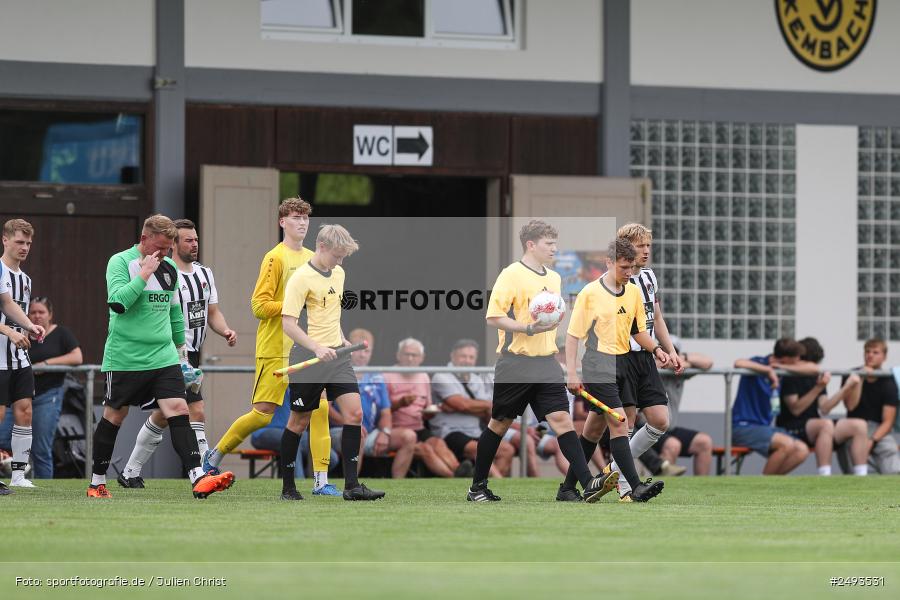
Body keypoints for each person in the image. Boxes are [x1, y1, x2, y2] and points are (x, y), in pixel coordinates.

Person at [466, 219, 614, 502]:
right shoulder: (511, 275)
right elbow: (493, 317)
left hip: (546, 363)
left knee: (562, 421)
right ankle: (477, 488)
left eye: (555, 243)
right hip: (516, 364)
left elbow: (553, 315)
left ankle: (585, 485)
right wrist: (528, 328)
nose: (554, 249)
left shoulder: (555, 278)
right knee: (499, 424)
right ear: (530, 245)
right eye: (549, 244)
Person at [88, 214, 234, 498]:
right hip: (125, 358)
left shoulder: (168, 268)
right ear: (144, 239)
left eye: (169, 248)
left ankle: (198, 476)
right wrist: (143, 274)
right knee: (115, 416)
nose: (165, 254)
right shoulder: (120, 262)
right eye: (161, 247)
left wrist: (181, 354)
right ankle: (97, 482)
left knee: (179, 409)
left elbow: (174, 312)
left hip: (163, 357)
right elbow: (118, 303)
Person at [203, 198, 337, 496]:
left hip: (307, 349)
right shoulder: (274, 258)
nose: (302, 223)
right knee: (263, 413)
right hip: (275, 348)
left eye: (305, 218)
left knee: (321, 409)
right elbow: (259, 306)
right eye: (295, 217)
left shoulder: (315, 258)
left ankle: (321, 480)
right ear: (282, 222)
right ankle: (215, 456)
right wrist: (293, 304)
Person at [558, 238, 669, 502]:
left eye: (632, 267)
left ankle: (566, 489)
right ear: (609, 263)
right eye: (624, 267)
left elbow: (638, 331)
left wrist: (657, 350)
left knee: (593, 431)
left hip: (626, 363)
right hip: (599, 364)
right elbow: (573, 336)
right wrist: (572, 373)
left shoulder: (632, 291)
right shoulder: (590, 293)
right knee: (621, 423)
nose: (629, 273)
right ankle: (634, 486)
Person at [279, 223, 384, 501]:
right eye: (337, 255)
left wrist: (341, 339)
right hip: (308, 357)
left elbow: (330, 314)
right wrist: (316, 347)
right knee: (299, 422)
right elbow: (288, 324)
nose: (340, 261)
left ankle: (352, 486)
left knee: (355, 414)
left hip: (337, 356)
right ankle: (288, 487)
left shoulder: (339, 272)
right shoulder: (301, 278)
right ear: (322, 247)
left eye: (343, 257)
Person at [606, 223, 683, 498]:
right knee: (622, 422)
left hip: (647, 357)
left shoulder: (649, 276)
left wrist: (670, 349)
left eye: (648, 245)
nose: (646, 251)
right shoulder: (616, 281)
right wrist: (656, 349)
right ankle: (625, 486)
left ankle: (612, 469)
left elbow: (656, 317)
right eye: (640, 246)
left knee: (660, 420)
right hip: (622, 355)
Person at [0, 296, 81, 480]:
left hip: (47, 395)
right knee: (4, 438)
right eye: (33, 312)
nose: (37, 316)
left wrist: (47, 363)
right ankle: (14, 473)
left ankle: (44, 484)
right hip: (16, 393)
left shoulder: (61, 333)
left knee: (41, 448)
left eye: (41, 312)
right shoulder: (23, 331)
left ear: (50, 315)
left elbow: (77, 357)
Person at [329, 328, 416, 479]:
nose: (362, 355)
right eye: (358, 350)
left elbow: (385, 412)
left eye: (366, 351)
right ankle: (351, 485)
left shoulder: (376, 376)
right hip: (339, 431)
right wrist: (350, 424)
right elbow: (326, 408)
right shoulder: (337, 373)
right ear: (348, 348)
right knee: (356, 434)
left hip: (369, 432)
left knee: (409, 436)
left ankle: (398, 485)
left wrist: (385, 433)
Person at [0, 219, 47, 493]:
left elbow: (13, 309)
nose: (25, 247)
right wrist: (9, 332)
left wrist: (30, 328)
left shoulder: (25, 280)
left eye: (28, 243)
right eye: (19, 241)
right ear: (5, 240)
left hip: (19, 357)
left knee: (25, 412)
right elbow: (5, 307)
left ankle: (18, 475)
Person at [779, 337, 869, 476]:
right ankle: (824, 477)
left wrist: (846, 388)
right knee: (825, 425)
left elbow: (825, 408)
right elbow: (795, 409)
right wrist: (818, 387)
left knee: (859, 425)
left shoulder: (817, 376)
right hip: (791, 427)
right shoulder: (790, 375)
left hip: (816, 426)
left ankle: (861, 477)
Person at [431, 339, 516, 479]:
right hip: (450, 431)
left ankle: (489, 486)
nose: (467, 360)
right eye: (463, 356)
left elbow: (483, 411)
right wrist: (482, 405)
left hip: (476, 431)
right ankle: (488, 485)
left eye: (471, 357)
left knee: (507, 450)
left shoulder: (476, 379)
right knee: (479, 450)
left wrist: (463, 406)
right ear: (453, 356)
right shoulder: (441, 376)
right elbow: (462, 404)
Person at [732, 338, 818, 475]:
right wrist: (767, 370)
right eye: (797, 359)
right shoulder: (759, 362)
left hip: (765, 428)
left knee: (802, 450)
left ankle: (771, 485)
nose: (799, 362)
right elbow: (738, 363)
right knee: (786, 445)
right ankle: (762, 487)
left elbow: (814, 369)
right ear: (785, 358)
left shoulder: (784, 367)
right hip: (743, 427)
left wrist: (781, 368)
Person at [384, 338, 467, 478]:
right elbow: (380, 413)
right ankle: (455, 478)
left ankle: (459, 470)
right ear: (398, 355)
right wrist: (400, 404)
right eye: (406, 354)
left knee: (438, 443)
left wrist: (432, 411)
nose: (410, 358)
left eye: (414, 355)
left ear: (421, 358)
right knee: (426, 449)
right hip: (395, 430)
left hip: (418, 427)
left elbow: (426, 409)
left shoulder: (423, 376)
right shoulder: (386, 376)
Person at [654, 336, 714, 476]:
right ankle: (663, 491)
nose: (668, 354)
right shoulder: (649, 363)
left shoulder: (679, 369)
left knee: (704, 442)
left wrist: (682, 358)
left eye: (672, 351)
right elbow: (660, 364)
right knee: (673, 445)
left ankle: (703, 492)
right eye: (664, 350)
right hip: (647, 429)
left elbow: (708, 362)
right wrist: (682, 362)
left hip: (670, 428)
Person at [838, 338, 900, 474]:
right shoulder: (852, 375)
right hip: (853, 428)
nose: (870, 355)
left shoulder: (888, 380)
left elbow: (888, 421)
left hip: (879, 430)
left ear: (884, 356)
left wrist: (872, 441)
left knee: (893, 466)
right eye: (867, 351)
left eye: (875, 352)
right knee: (855, 469)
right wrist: (860, 379)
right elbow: (850, 407)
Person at [251, 388, 340, 480]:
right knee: (292, 442)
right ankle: (298, 481)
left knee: (332, 458)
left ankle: (309, 480)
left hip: (294, 432)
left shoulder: (300, 383)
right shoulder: (278, 380)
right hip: (265, 431)